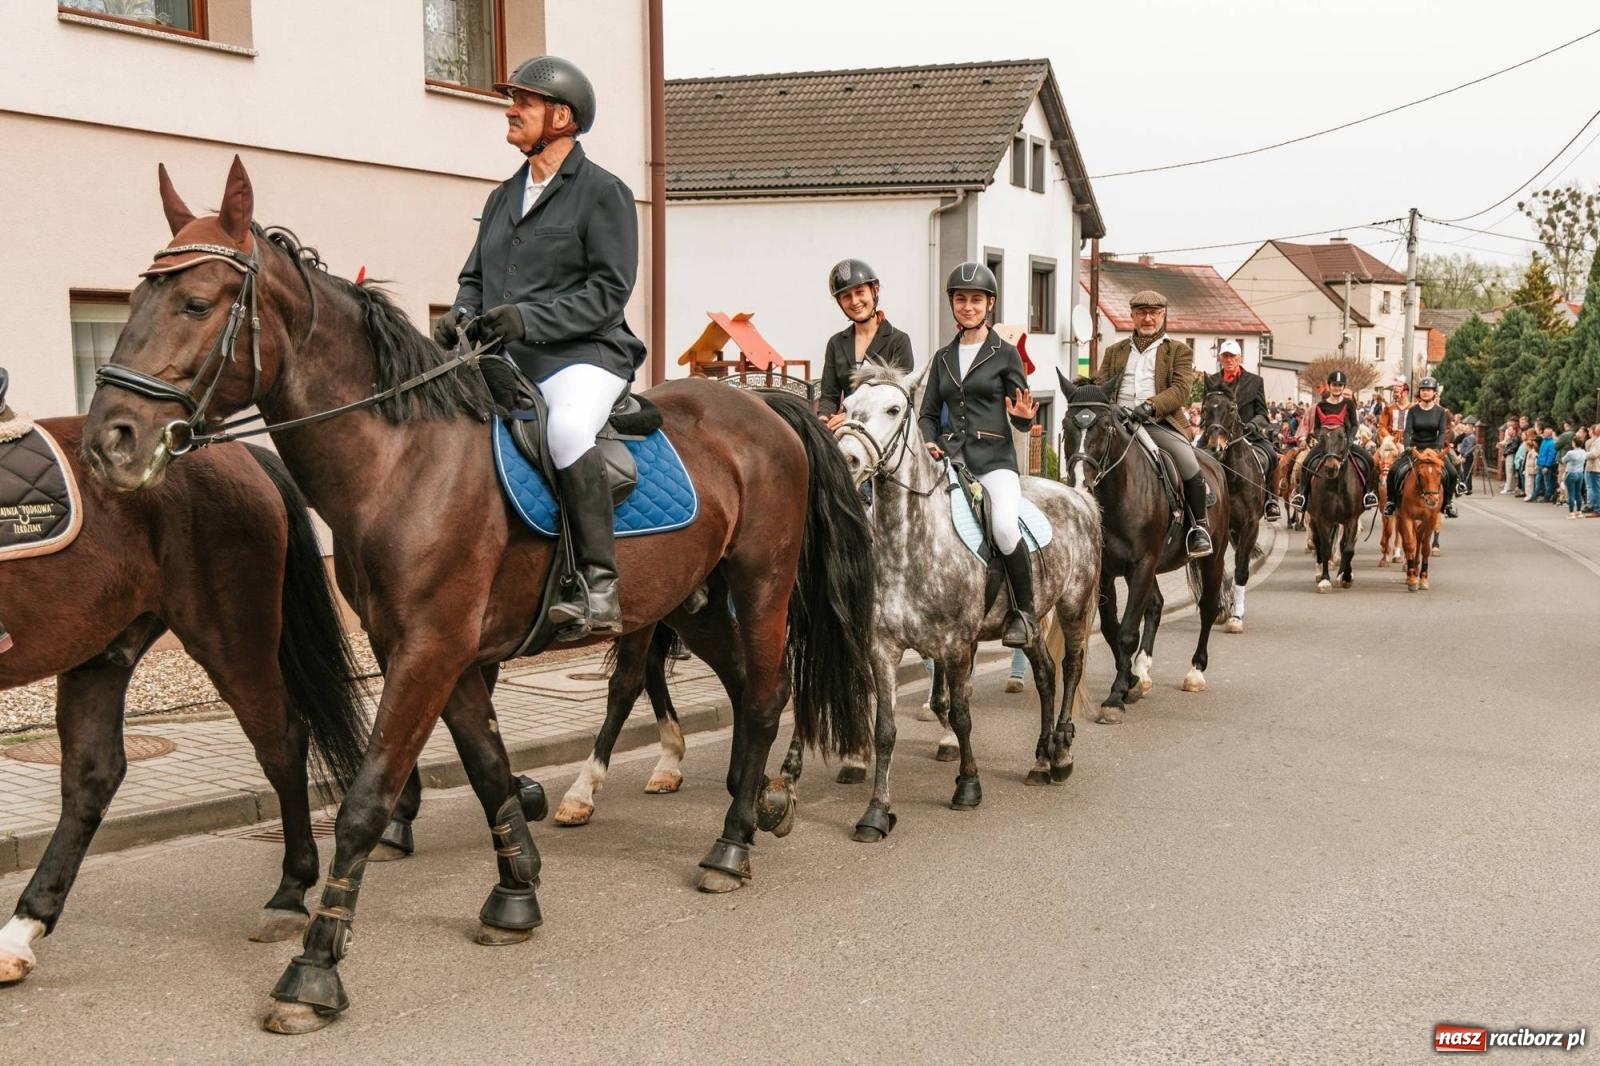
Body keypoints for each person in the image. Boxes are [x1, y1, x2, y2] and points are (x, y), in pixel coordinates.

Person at [433, 55, 644, 639]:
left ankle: (599, 586)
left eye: (523, 101)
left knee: (568, 430)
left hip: (585, 354)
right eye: (514, 100)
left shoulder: (604, 192)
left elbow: (609, 293)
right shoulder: (504, 196)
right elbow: (474, 276)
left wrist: (526, 319)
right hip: (506, 357)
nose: (510, 109)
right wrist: (461, 314)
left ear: (562, 117)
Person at [918, 261, 1039, 647]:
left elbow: (1021, 413)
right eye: (961, 299)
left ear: (990, 305)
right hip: (952, 461)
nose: (968, 306)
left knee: (1003, 527)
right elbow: (927, 413)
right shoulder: (942, 357)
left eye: (976, 300)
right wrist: (928, 440)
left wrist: (1021, 419)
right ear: (952, 304)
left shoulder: (1005, 354)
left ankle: (1024, 612)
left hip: (994, 461)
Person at [1092, 290, 1213, 558]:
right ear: (1133, 316)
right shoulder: (1114, 351)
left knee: (1188, 462)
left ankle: (1199, 528)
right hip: (1118, 422)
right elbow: (1102, 385)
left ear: (1162, 315)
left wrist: (1150, 406)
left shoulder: (1178, 351)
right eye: (1142, 313)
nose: (1148, 318)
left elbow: (1181, 389)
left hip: (1159, 422)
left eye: (1154, 313)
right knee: (1086, 459)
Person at [817, 259, 915, 428]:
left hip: (883, 432)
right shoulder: (836, 343)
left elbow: (899, 397)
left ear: (874, 290)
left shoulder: (898, 340)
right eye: (846, 296)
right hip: (844, 429)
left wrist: (850, 416)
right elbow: (829, 396)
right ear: (840, 302)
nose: (854, 301)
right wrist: (823, 419)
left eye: (860, 292)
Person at [1203, 339, 1280, 520]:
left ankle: (1271, 500)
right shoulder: (1212, 381)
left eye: (1232, 356)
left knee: (1272, 456)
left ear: (1240, 358)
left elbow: (1263, 413)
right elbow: (1206, 410)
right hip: (1217, 432)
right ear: (1220, 358)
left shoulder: (1255, 381)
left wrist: (1254, 424)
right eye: (1225, 356)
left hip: (1247, 433)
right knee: (1194, 457)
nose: (1229, 360)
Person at [1290, 371, 1380, 511]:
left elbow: (1355, 424)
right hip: (1326, 444)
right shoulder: (1321, 405)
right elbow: (1318, 427)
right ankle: (1302, 494)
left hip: (1344, 442)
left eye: (1340, 385)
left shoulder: (1349, 404)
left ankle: (1369, 493)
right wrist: (1322, 438)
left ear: (1343, 387)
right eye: (1334, 385)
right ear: (1329, 385)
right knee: (1306, 462)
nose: (1337, 388)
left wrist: (1350, 438)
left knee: (1369, 460)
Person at [1383, 377, 1459, 518]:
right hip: (1415, 449)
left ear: (1434, 393)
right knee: (1394, 470)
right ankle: (1391, 502)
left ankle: (1448, 503)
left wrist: (1437, 448)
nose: (1425, 393)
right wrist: (1407, 447)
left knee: (1452, 473)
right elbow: (1408, 431)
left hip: (1434, 450)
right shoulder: (1413, 410)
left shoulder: (1441, 412)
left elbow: (1442, 432)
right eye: (1423, 390)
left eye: (1428, 390)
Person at [1561, 437, 1588, 518]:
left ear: (1574, 443)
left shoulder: (1570, 453)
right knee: (1578, 493)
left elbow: (1563, 460)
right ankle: (1579, 512)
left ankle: (1571, 513)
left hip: (1571, 473)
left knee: (1571, 493)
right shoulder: (1583, 452)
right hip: (1580, 473)